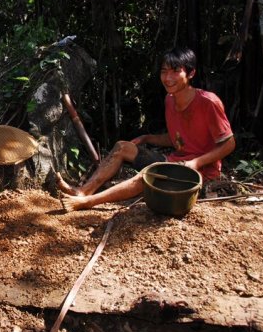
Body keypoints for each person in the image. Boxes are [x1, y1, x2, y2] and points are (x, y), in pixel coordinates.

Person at [58, 47, 235, 211]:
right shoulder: (170, 100)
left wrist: (196, 163)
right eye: (164, 71)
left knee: (147, 175)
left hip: (201, 171)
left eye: (175, 71)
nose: (168, 78)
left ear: (191, 73)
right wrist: (145, 138)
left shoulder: (208, 102)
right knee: (122, 146)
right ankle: (83, 191)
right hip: (175, 160)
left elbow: (229, 144)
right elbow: (178, 139)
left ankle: (87, 202)